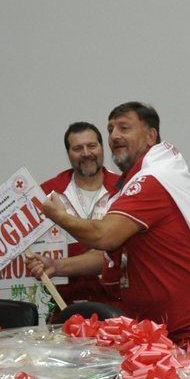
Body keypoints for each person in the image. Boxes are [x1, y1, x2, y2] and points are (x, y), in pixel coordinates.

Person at [30, 102, 190, 367]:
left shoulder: (153, 180)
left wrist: (60, 216)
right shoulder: (140, 179)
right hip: (155, 325)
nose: (114, 135)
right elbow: (112, 255)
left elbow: (105, 236)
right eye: (111, 129)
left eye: (124, 127)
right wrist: (57, 266)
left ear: (151, 135)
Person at [39, 122, 121, 308]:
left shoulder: (125, 189)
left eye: (92, 146)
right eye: (77, 148)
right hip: (63, 307)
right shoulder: (47, 195)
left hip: (117, 306)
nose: (86, 153)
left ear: (102, 147)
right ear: (68, 154)